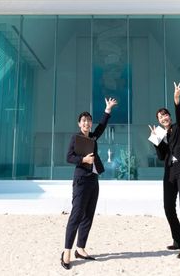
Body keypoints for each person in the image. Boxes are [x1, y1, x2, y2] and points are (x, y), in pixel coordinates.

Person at [60, 96, 118, 270]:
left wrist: (107, 110)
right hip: (81, 180)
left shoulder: (92, 137)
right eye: (84, 121)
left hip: (93, 179)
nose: (87, 123)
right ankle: (67, 251)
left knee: (88, 216)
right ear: (79, 124)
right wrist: (83, 159)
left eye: (89, 121)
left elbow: (102, 127)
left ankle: (80, 248)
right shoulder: (75, 138)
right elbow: (68, 157)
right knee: (76, 215)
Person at [148, 81, 180, 258]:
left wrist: (176, 100)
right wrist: (156, 140)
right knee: (168, 206)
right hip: (169, 171)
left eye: (165, 115)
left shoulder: (177, 128)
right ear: (158, 121)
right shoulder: (161, 134)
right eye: (160, 117)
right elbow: (161, 156)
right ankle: (177, 239)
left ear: (169, 117)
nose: (164, 118)